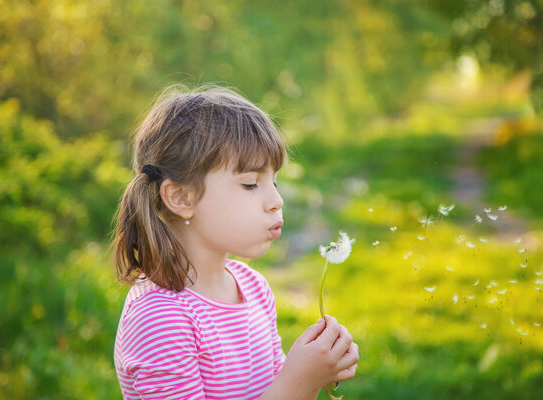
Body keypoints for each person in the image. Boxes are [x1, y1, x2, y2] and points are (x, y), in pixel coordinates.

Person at [111, 84, 359, 399]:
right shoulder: (161, 318)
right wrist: (297, 381)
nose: (276, 200)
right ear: (181, 197)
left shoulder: (253, 288)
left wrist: (313, 375)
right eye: (251, 184)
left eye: (274, 181)